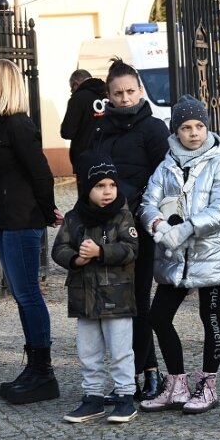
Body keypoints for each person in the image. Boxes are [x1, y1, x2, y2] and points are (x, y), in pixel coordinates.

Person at [137, 95, 220, 414]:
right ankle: (177, 383)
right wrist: (158, 225)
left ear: (207, 127)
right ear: (175, 131)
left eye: (199, 126)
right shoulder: (166, 166)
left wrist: (188, 227)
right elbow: (147, 202)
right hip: (175, 256)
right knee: (158, 317)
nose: (193, 132)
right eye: (185, 127)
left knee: (209, 317)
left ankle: (208, 385)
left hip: (210, 253)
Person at [0, 58, 63, 405]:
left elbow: (41, 172)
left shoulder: (19, 126)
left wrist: (48, 209)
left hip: (24, 221)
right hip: (8, 221)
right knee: (22, 294)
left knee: (28, 295)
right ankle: (35, 367)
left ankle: (43, 371)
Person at [90, 57, 170, 402]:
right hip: (108, 229)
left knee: (139, 302)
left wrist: (136, 205)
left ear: (140, 91)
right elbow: (92, 175)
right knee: (117, 304)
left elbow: (165, 179)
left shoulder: (153, 129)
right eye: (118, 93)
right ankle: (127, 376)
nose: (124, 99)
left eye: (130, 92)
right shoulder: (101, 129)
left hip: (139, 226)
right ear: (109, 94)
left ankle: (151, 371)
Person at [52, 151, 139, 424]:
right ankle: (92, 398)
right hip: (84, 297)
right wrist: (76, 259)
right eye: (100, 186)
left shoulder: (123, 216)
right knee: (88, 351)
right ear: (86, 188)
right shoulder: (73, 217)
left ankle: (125, 397)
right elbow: (59, 249)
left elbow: (131, 248)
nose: (107, 191)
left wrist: (101, 252)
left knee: (120, 349)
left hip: (117, 296)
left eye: (111, 185)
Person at [60, 69, 106, 174]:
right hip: (109, 154)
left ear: (76, 84)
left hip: (85, 157)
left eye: (71, 88)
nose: (71, 91)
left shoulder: (78, 98)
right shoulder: (109, 93)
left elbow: (67, 132)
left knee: (87, 189)